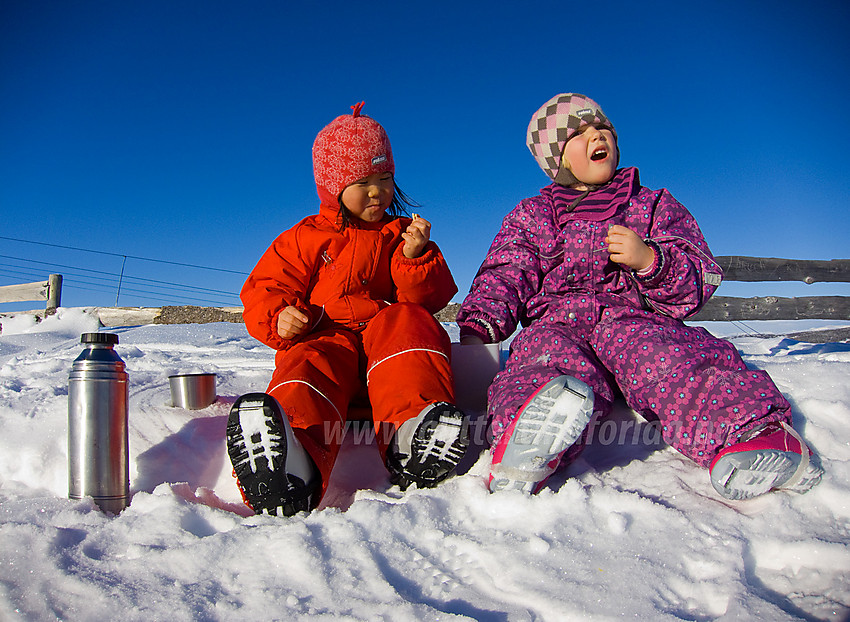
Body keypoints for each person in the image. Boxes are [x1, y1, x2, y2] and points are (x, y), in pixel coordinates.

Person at [457, 93, 823, 500]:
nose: (597, 135)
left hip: (632, 319)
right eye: (578, 134)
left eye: (603, 128)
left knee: (667, 361)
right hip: (557, 323)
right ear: (556, 159)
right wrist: (480, 323)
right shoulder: (533, 215)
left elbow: (698, 272)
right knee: (542, 360)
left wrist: (651, 259)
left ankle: (757, 434)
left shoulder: (649, 205)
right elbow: (507, 269)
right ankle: (525, 440)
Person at [228, 102, 468, 516]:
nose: (378, 191)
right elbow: (267, 286)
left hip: (388, 359)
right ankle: (292, 461)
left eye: (385, 178)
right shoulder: (304, 238)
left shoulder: (399, 235)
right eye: (363, 181)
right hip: (329, 344)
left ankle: (413, 438)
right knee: (308, 358)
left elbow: (429, 300)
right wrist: (279, 315)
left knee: (408, 319)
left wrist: (415, 257)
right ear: (333, 186)